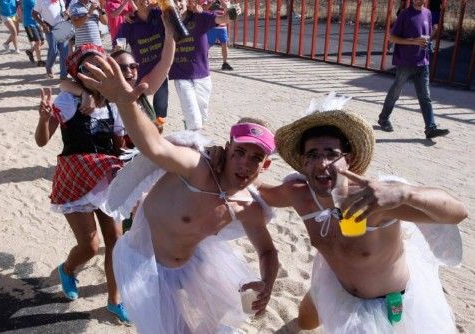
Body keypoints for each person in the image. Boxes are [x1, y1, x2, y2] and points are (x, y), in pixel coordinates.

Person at [77, 28, 279, 331]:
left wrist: (267, 282)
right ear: (227, 148)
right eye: (240, 153)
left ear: (265, 165)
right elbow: (154, 147)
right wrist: (123, 100)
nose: (244, 163)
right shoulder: (197, 167)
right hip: (144, 263)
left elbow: (268, 250)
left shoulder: (246, 205)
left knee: (217, 324)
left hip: (192, 265)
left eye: (255, 158)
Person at [256, 92, 467, 332]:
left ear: (349, 159)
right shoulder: (300, 194)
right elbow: (259, 189)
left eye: (331, 154)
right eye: (312, 155)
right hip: (335, 283)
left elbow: (457, 212)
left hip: (388, 304)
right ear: (303, 163)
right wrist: (217, 158)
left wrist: (405, 192)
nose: (322, 163)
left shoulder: (375, 200)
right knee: (304, 320)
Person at [34, 43, 131, 323]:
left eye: (99, 65)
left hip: (105, 178)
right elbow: (42, 141)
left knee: (116, 241)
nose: (95, 71)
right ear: (77, 71)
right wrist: (44, 119)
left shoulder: (113, 104)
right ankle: (68, 269)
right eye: (88, 67)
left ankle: (114, 301)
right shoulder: (66, 100)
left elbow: (117, 145)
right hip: (75, 177)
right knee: (89, 245)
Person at [378, 0, 449, 139]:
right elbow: (392, 37)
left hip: (423, 62)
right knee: (396, 92)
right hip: (405, 62)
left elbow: (426, 35)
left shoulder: (428, 13)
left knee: (425, 97)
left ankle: (430, 128)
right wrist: (414, 41)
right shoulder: (405, 15)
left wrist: (429, 40)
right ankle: (383, 118)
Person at [168, 0, 240, 131]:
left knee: (202, 117)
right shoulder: (166, 21)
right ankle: (192, 146)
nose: (177, 4)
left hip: (202, 74)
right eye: (173, 1)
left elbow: (226, 18)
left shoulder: (200, 17)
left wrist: (229, 7)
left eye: (180, 0)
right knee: (194, 121)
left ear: (188, 2)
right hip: (181, 75)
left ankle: (189, 129)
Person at [115, 0, 169, 124]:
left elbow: (179, 11)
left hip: (160, 71)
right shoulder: (129, 23)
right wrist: (118, 48)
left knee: (160, 110)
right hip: (140, 75)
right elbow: (118, 44)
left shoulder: (161, 15)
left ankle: (158, 134)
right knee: (144, 111)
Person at [32, 0, 69, 79]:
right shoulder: (41, 1)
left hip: (63, 28)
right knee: (53, 51)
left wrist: (66, 14)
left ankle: (63, 75)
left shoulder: (60, 1)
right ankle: (48, 67)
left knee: (64, 52)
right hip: (49, 28)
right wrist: (42, 24)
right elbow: (34, 14)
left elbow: (63, 15)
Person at [202, 0, 233, 71]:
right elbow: (204, 9)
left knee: (224, 44)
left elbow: (227, 8)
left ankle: (225, 63)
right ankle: (203, 61)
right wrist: (212, 2)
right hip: (212, 27)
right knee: (207, 45)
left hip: (222, 27)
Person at [22, 0, 45, 66]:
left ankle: (30, 51)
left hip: (36, 22)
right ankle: (39, 61)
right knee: (38, 42)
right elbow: (39, 8)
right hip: (29, 23)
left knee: (42, 41)